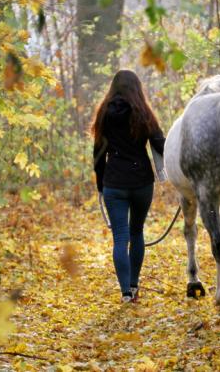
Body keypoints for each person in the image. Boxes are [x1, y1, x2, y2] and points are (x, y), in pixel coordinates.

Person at [91, 70, 165, 303]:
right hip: (142, 182)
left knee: (120, 238)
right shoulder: (144, 112)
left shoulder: (104, 113)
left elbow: (98, 154)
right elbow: (160, 145)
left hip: (114, 183)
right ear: (137, 88)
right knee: (137, 232)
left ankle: (125, 293)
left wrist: (101, 185)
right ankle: (134, 286)